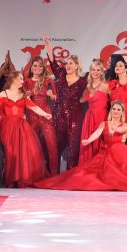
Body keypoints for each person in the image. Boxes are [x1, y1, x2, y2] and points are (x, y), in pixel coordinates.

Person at [0, 71, 52, 187]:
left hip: (22, 127)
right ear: (13, 79)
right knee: (10, 151)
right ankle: (10, 178)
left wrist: (45, 114)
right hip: (8, 126)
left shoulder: (23, 95)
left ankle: (21, 178)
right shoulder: (4, 94)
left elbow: (34, 107)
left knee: (22, 152)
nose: (23, 82)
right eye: (21, 79)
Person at [45, 36, 87, 170]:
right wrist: (48, 46)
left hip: (75, 117)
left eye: (71, 63)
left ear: (76, 66)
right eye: (67, 63)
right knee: (56, 146)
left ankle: (71, 176)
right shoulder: (62, 74)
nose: (68, 65)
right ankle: (53, 174)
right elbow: (53, 63)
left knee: (73, 148)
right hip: (59, 115)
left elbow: (90, 94)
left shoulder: (82, 81)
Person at [23, 56, 59, 174]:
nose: (37, 68)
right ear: (31, 68)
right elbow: (22, 101)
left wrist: (51, 95)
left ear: (43, 68)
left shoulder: (49, 81)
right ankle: (34, 173)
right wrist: (26, 95)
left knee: (52, 145)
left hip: (46, 113)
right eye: (35, 66)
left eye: (39, 66)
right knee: (32, 145)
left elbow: (56, 98)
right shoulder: (26, 82)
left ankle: (54, 173)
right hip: (31, 114)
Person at [79, 59, 109, 164]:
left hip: (101, 116)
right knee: (88, 143)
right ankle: (88, 167)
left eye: (98, 70)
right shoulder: (87, 86)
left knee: (99, 142)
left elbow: (116, 98)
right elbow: (80, 100)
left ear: (101, 72)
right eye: (93, 70)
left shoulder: (106, 85)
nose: (95, 72)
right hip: (89, 118)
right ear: (90, 71)